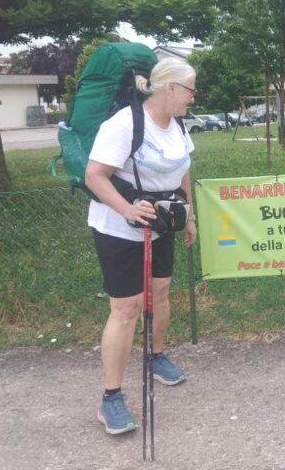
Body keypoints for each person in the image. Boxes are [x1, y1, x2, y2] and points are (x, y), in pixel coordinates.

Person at [85, 57, 198, 434]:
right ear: (171, 88)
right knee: (127, 308)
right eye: (191, 90)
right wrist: (127, 209)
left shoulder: (178, 125)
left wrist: (190, 214)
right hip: (118, 227)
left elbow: (183, 167)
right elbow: (95, 175)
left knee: (161, 293)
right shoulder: (124, 124)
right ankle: (111, 399)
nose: (193, 99)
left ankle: (156, 356)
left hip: (162, 221)